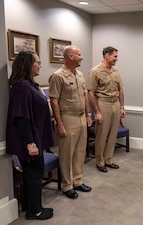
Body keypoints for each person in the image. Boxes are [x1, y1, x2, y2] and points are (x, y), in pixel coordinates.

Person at [6, 51, 54, 220]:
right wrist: (30, 143)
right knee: (33, 176)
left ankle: (35, 207)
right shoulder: (21, 88)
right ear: (28, 64)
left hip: (37, 138)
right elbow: (21, 118)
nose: (40, 65)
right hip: (31, 141)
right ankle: (35, 211)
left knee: (35, 174)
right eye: (38, 62)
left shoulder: (30, 85)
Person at [49, 45, 92, 199]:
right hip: (67, 118)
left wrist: (88, 114)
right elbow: (54, 102)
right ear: (70, 57)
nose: (82, 57)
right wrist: (59, 123)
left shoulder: (80, 75)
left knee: (80, 152)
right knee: (67, 153)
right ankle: (67, 185)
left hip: (81, 117)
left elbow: (85, 96)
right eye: (79, 54)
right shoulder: (58, 76)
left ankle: (77, 181)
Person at [86, 46, 126, 173]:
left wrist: (122, 107)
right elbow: (90, 93)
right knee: (102, 135)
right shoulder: (95, 71)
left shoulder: (115, 71)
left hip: (115, 104)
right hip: (103, 104)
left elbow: (120, 89)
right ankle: (100, 161)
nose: (117, 59)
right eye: (115, 56)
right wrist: (96, 112)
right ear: (106, 56)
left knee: (112, 134)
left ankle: (108, 159)